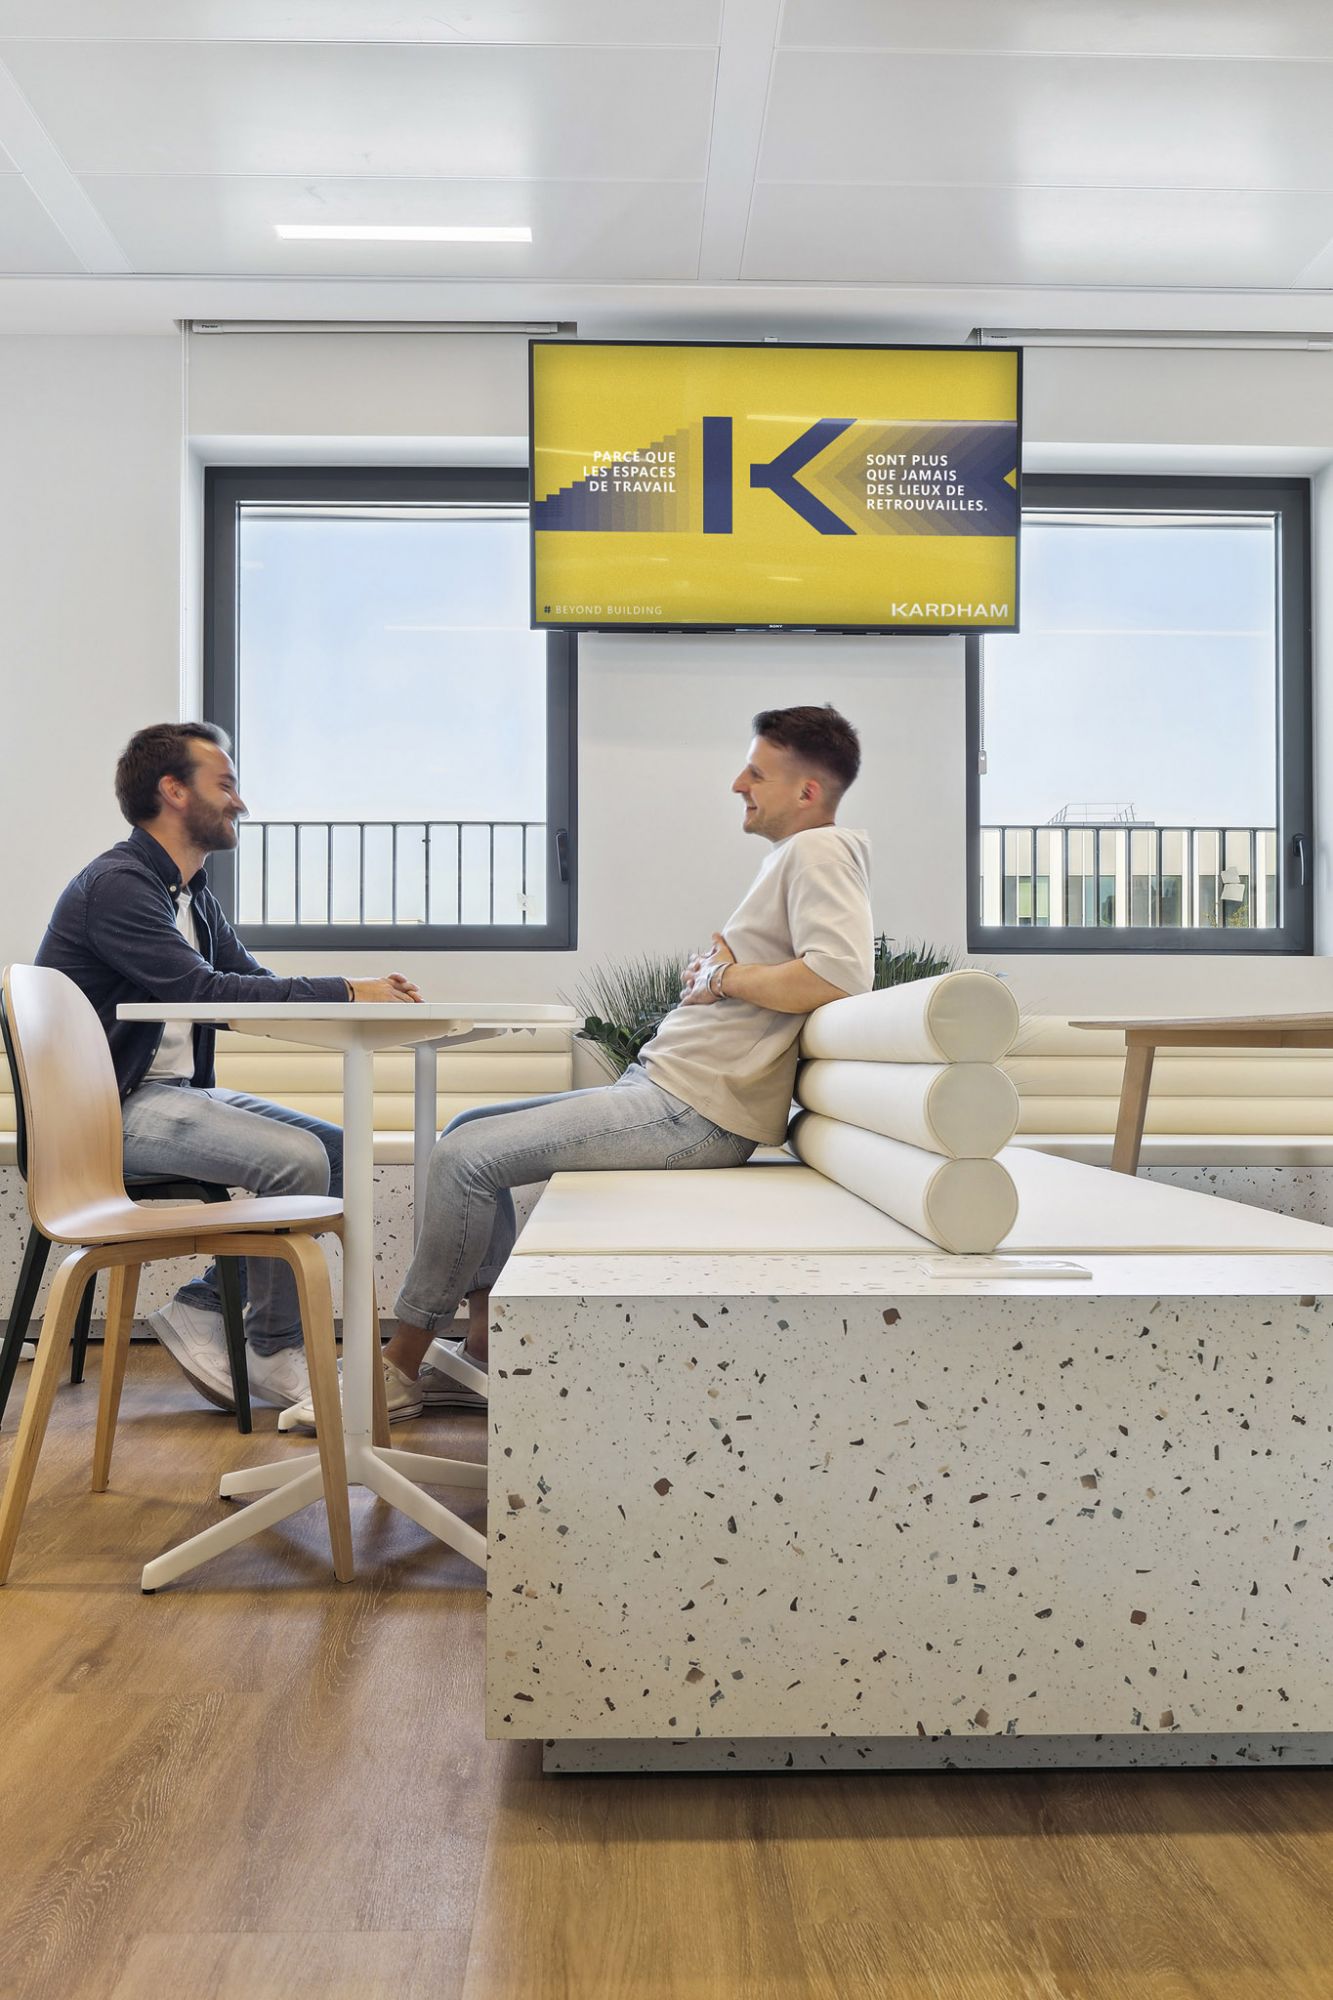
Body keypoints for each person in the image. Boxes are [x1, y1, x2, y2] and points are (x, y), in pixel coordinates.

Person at [281, 703, 874, 1431]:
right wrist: (717, 976)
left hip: (693, 1110)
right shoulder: (795, 857)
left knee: (465, 1158)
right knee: (465, 1130)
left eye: (755, 772)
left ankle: (396, 1368)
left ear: (807, 791)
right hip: (670, 1092)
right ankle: (481, 1348)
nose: (736, 784)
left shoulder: (820, 851)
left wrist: (723, 978)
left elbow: (839, 975)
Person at [34, 720, 426, 1414]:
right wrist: (344, 990)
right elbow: (204, 991)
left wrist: (355, 997)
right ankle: (271, 1347)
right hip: (104, 1115)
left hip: (169, 1096)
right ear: (174, 790)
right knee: (296, 1161)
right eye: (226, 784)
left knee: (338, 1152)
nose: (240, 801)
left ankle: (203, 1306)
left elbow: (247, 983)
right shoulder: (119, 887)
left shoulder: (190, 894)